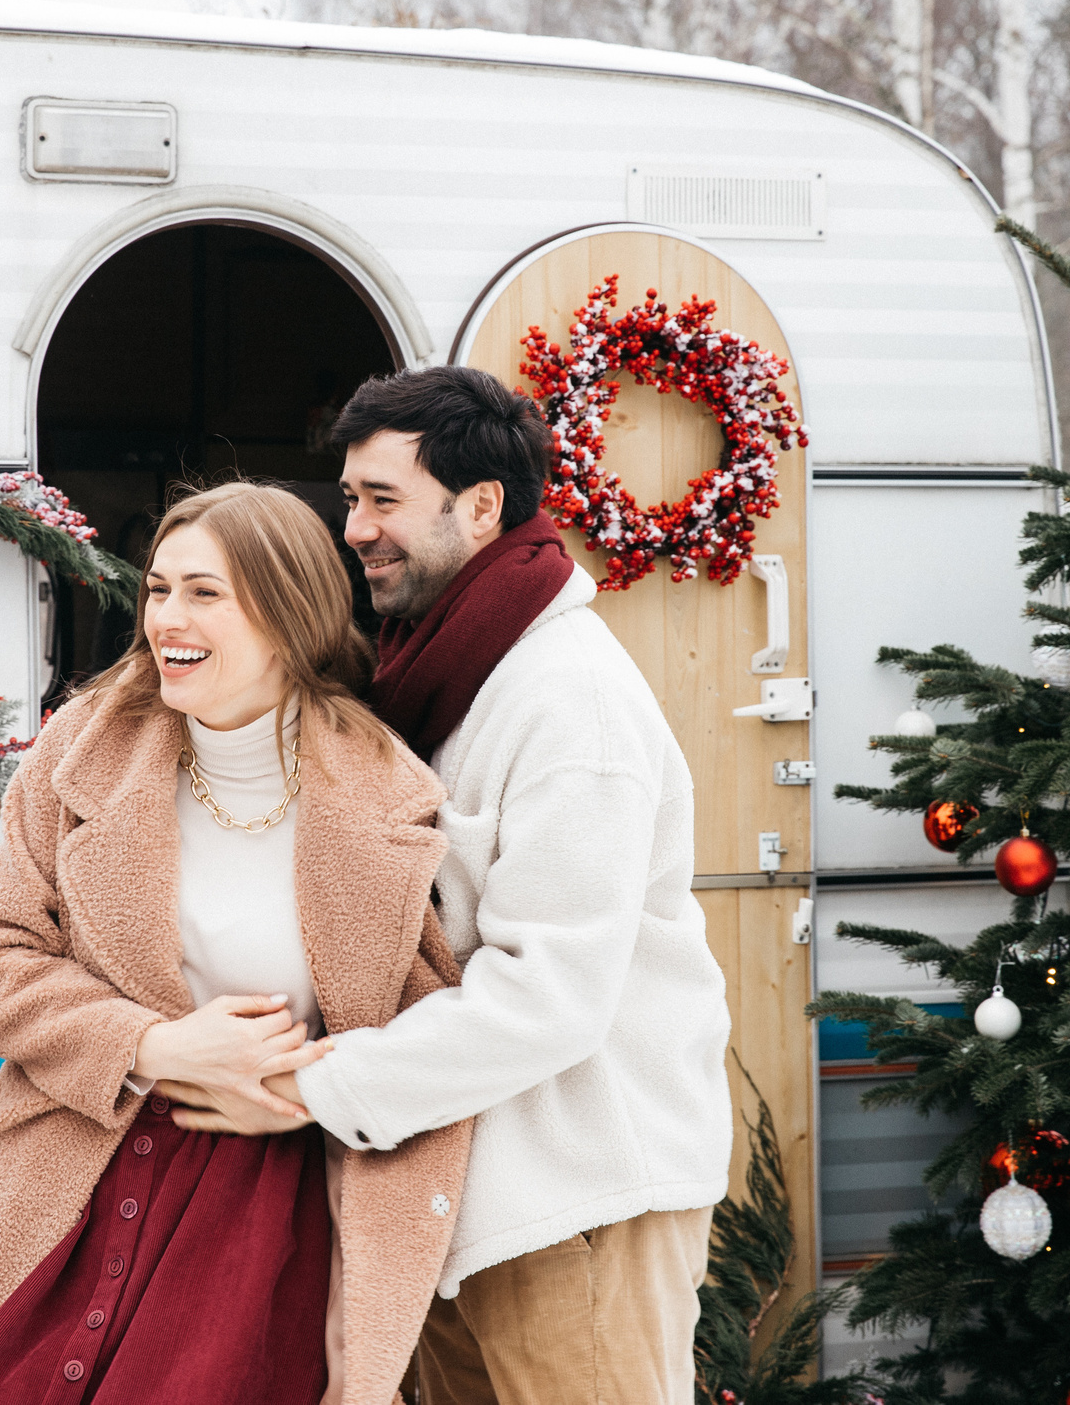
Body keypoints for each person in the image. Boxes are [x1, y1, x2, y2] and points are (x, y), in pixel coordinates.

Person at [178, 366, 735, 1405]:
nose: (354, 529)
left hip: (578, 1203)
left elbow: (549, 996)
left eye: (383, 499)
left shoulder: (567, 703)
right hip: (454, 1194)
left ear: (480, 507)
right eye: (349, 498)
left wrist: (308, 1090)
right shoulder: (435, 675)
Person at [0, 481, 474, 1405]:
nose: (168, 617)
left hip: (266, 1223)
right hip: (72, 1176)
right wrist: (152, 1046)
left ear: (289, 611)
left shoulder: (392, 795)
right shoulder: (76, 751)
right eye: (159, 588)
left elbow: (432, 1033)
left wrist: (310, 1092)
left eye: (205, 592)